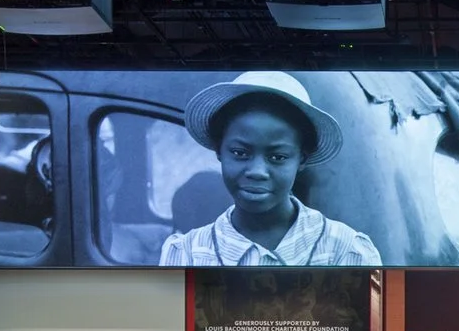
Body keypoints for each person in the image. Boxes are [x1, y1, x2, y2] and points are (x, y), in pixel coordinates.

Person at [158, 70, 381, 266]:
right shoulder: (187, 253)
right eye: (240, 153)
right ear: (219, 151)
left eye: (277, 157)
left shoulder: (345, 251)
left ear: (301, 160)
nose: (257, 171)